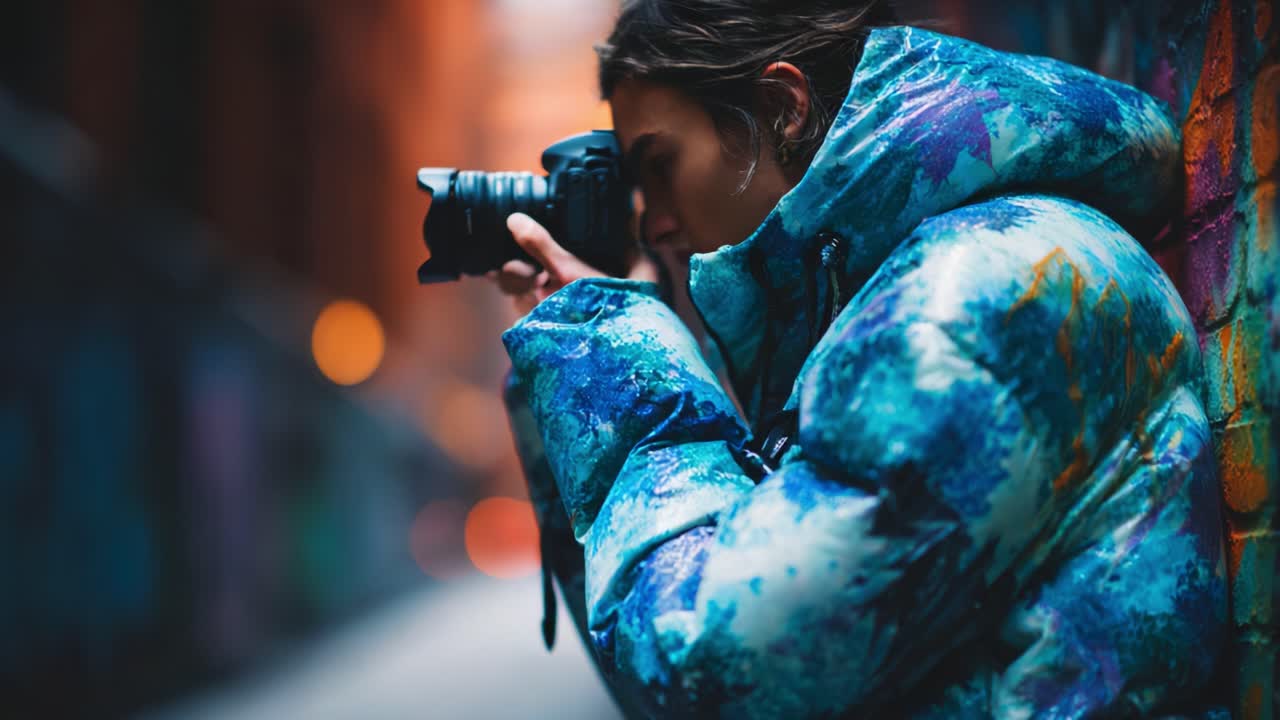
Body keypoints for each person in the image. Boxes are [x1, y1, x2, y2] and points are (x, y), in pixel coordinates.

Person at [492, 1, 1228, 717]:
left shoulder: (978, 297)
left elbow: (712, 671)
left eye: (660, 166)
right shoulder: (881, 302)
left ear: (782, 108)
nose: (651, 222)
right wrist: (568, 387)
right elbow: (654, 672)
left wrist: (612, 363)